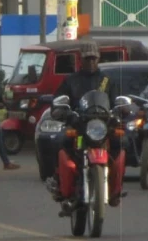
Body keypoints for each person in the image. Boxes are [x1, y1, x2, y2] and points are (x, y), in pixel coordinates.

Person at [52, 41, 123, 208]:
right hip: (79, 125)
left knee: (121, 144)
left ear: (98, 59)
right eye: (87, 59)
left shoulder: (107, 80)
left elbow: (116, 102)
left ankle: (115, 189)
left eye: (93, 58)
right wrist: (63, 111)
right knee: (61, 142)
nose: (90, 62)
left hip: (102, 126)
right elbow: (58, 101)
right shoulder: (71, 80)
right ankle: (60, 185)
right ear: (80, 60)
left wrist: (120, 111)